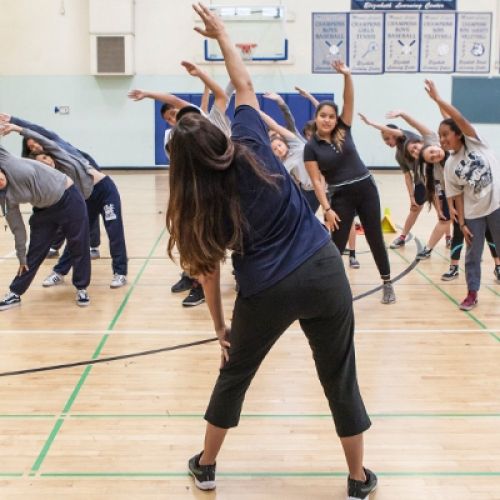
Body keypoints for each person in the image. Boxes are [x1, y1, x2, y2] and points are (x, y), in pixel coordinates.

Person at [167, 4, 376, 499]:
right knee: (339, 376)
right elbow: (242, 87)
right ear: (217, 134)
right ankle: (358, 479)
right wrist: (222, 35)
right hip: (324, 271)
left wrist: (221, 328)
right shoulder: (250, 141)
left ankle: (207, 466)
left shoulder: (201, 205)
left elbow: (210, 273)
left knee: (234, 373)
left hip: (266, 291)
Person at [128, 63, 233, 307]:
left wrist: (148, 94)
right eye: (168, 119)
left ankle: (202, 283)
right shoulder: (175, 137)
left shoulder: (207, 121)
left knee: (210, 238)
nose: (172, 118)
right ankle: (191, 277)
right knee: (188, 235)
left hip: (219, 190)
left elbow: (218, 95)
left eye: (173, 113)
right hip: (193, 191)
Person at [303, 62, 395, 304]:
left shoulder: (344, 129)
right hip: (340, 197)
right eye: (323, 116)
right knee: (336, 244)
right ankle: (332, 289)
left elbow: (348, 99)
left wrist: (347, 76)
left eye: (331, 116)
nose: (328, 120)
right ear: (316, 118)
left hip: (365, 189)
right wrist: (327, 209)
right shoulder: (311, 147)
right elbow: (316, 181)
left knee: (375, 237)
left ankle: (387, 282)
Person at [2, 124, 128, 289]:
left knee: (114, 230)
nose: (45, 163)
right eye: (40, 162)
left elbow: (46, 136)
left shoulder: (62, 156)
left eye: (46, 158)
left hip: (104, 191)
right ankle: (59, 272)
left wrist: (17, 127)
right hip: (84, 200)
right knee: (75, 238)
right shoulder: (48, 178)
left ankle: (120, 273)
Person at [425, 79, 500, 310]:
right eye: (439, 136)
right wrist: (463, 223)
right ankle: (472, 293)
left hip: (497, 205)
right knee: (472, 256)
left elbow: (459, 119)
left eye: (445, 134)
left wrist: (438, 100)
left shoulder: (476, 143)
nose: (442, 139)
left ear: (458, 134)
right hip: (475, 214)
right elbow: (455, 197)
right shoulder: (449, 165)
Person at [0, 138, 90, 310]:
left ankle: (81, 288)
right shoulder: (6, 200)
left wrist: (13, 126)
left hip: (68, 197)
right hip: (44, 211)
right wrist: (20, 255)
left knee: (78, 244)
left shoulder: (5, 160)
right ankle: (15, 293)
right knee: (32, 254)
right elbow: (17, 228)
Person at [0, 113, 102, 259]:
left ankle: (93, 245)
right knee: (57, 210)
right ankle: (54, 246)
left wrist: (13, 121)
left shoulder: (55, 144)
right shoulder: (34, 160)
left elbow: (36, 129)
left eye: (35, 142)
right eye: (30, 147)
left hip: (84, 177)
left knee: (86, 211)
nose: (34, 147)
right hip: (62, 187)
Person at [358, 114, 429, 249]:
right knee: (414, 209)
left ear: (394, 135)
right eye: (384, 140)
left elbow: (394, 131)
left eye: (387, 138)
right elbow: (407, 176)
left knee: (442, 211)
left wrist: (370, 123)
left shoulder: (408, 137)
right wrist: (412, 197)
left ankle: (448, 237)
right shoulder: (399, 155)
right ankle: (402, 237)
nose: (386, 142)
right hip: (421, 182)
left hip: (434, 179)